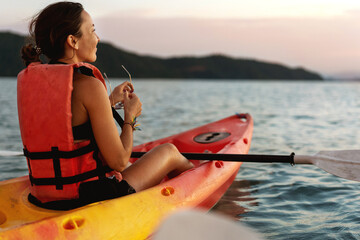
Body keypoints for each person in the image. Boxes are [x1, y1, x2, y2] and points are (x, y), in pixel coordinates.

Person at [18, 1, 194, 210]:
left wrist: (107, 102)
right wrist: (130, 117)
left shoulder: (33, 81)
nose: (97, 38)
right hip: (89, 196)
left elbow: (67, 123)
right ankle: (196, 193)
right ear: (73, 41)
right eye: (92, 30)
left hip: (45, 196)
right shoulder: (88, 85)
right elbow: (118, 162)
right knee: (169, 151)